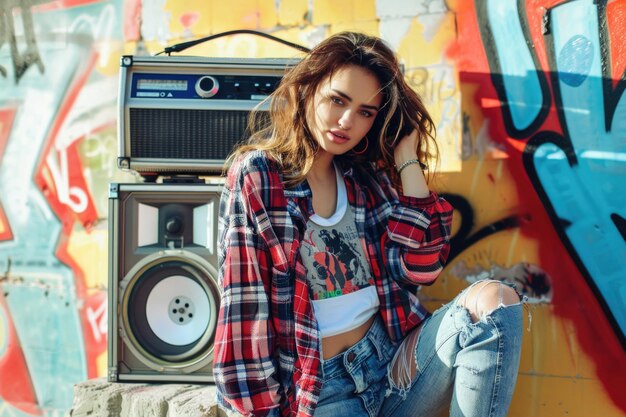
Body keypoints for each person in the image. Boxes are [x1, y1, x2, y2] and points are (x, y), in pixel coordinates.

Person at [214, 31, 524, 417]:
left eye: (365, 112)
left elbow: (421, 266)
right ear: (307, 91)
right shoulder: (260, 176)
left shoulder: (366, 180)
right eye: (337, 100)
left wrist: (406, 156)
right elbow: (244, 310)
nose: (346, 121)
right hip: (321, 390)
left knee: (495, 303)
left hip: (391, 365)